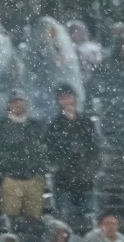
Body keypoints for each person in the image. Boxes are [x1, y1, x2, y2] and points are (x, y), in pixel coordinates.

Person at [44, 84, 99, 229]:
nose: (67, 101)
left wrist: (89, 170)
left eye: (69, 96)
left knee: (88, 221)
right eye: (63, 97)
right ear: (58, 101)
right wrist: (62, 166)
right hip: (63, 182)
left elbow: (95, 150)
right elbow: (51, 153)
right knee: (64, 223)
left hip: (85, 180)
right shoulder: (54, 125)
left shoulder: (87, 123)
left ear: (75, 98)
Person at [0, 91, 46, 220]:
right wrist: (3, 171)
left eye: (20, 101)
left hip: (34, 177)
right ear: (9, 105)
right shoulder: (1, 126)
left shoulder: (36, 126)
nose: (17, 104)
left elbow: (42, 150)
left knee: (34, 219)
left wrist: (39, 170)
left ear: (26, 104)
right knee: (10, 218)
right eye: (14, 101)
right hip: (11, 178)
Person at [24, 16, 85, 119]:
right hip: (44, 90)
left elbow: (67, 68)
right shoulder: (36, 50)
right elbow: (32, 69)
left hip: (63, 88)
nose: (47, 33)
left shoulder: (64, 48)